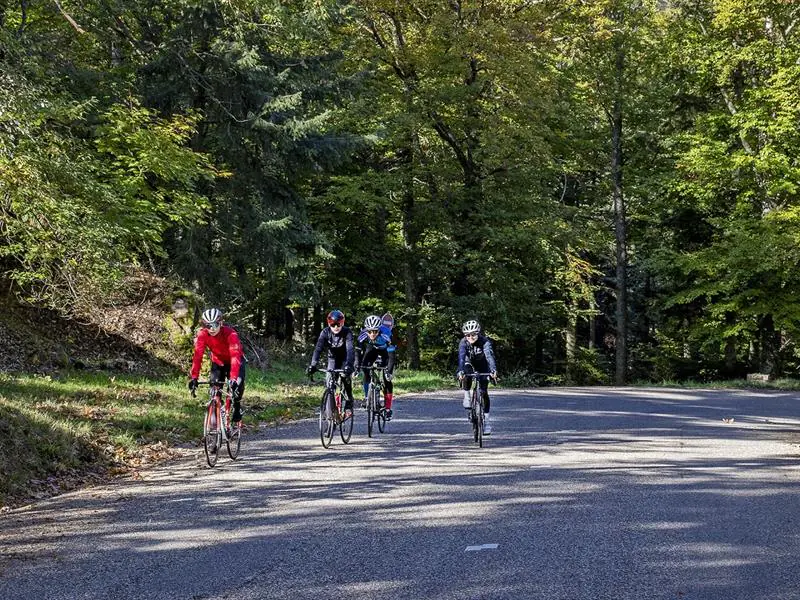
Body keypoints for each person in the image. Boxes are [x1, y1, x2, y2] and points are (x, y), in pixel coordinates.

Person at [188, 307, 246, 423]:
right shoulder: (202, 334)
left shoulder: (231, 334)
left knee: (237, 387)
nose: (211, 329)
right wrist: (194, 377)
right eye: (208, 326)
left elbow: (235, 357)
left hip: (235, 361)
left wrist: (234, 379)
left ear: (221, 323)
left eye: (215, 325)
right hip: (218, 362)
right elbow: (198, 356)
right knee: (215, 388)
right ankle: (217, 411)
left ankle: (237, 407)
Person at [306, 309, 356, 416]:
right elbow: (318, 349)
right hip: (332, 358)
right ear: (329, 324)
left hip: (345, 358)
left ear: (342, 323)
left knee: (345, 377)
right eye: (333, 325)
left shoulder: (347, 332)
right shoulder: (325, 332)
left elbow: (351, 350)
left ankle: (349, 401)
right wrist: (313, 364)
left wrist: (349, 365)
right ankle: (331, 408)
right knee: (329, 381)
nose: (336, 327)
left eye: (338, 324)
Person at [457, 319, 497, 434]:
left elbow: (489, 356)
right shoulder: (463, 342)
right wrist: (460, 371)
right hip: (468, 362)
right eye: (468, 335)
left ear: (478, 333)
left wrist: (493, 370)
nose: (471, 337)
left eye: (473, 334)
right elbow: (461, 357)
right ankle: (467, 396)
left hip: (482, 364)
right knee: (465, 372)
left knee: (484, 392)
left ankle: (487, 422)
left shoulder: (485, 342)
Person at [354, 314, 396, 420]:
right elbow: (357, 353)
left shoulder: (386, 334)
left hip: (385, 352)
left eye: (375, 331)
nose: (372, 334)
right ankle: (367, 397)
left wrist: (389, 372)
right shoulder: (362, 335)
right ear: (366, 330)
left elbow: (391, 357)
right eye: (370, 331)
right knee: (365, 367)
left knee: (387, 380)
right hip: (371, 349)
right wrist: (357, 367)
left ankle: (387, 408)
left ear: (379, 330)